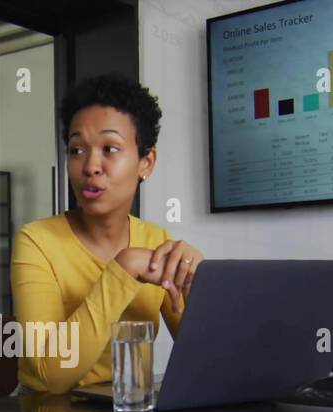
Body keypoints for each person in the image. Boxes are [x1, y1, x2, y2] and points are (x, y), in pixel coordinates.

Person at [11, 73, 204, 394]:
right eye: (76, 150)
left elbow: (203, 358)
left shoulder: (156, 241)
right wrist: (124, 269)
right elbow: (49, 376)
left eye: (110, 148)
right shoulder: (36, 241)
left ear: (146, 162)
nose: (90, 166)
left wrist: (198, 290)